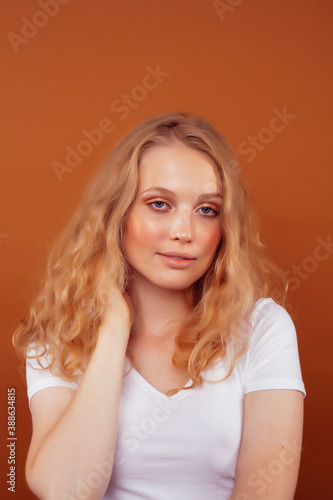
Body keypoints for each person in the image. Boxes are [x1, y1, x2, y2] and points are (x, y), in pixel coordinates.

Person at [13, 112, 305, 500]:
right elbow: (64, 491)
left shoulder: (264, 328)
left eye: (207, 210)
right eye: (160, 204)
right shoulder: (58, 335)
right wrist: (114, 325)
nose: (184, 232)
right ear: (116, 215)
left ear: (224, 228)